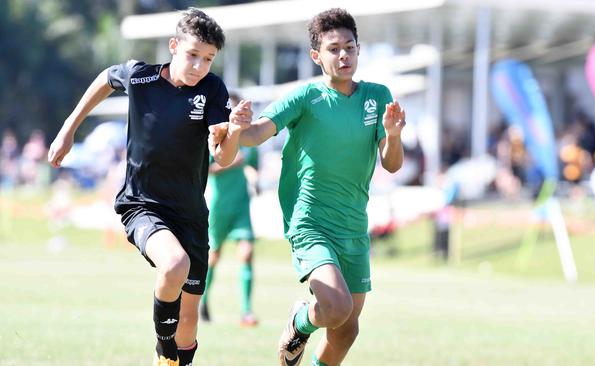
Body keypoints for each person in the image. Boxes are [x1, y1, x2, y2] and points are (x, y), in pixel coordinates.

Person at [48, 8, 252, 366]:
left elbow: (223, 156)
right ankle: (164, 354)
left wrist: (233, 131)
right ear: (173, 47)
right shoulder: (139, 77)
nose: (199, 66)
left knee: (188, 323)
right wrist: (69, 128)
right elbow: (104, 79)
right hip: (142, 204)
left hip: (190, 214)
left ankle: (176, 357)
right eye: (192, 55)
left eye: (208, 59)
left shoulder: (212, 89)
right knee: (174, 265)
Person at [209, 8, 406, 366]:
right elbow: (256, 134)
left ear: (359, 49)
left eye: (350, 47)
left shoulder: (378, 96)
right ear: (316, 56)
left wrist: (393, 135)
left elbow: (392, 163)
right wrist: (237, 127)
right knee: (335, 306)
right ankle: (299, 322)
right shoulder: (304, 97)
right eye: (333, 49)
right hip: (310, 223)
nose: (344, 55)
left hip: (353, 226)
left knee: (346, 328)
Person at [200, 92, 259, 327]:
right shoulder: (214, 137)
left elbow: (253, 167)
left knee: (247, 253)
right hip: (219, 204)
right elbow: (207, 170)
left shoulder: (251, 139)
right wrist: (232, 161)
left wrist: (255, 178)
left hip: (241, 202)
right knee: (213, 256)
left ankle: (246, 311)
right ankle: (201, 301)